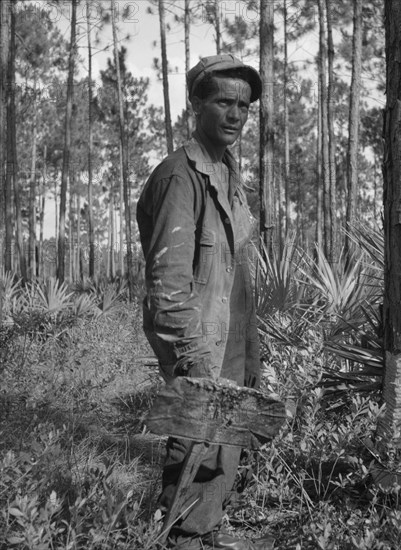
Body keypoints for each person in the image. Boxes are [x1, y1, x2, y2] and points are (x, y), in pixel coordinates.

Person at [137, 55, 272, 550]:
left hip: (232, 336)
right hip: (199, 340)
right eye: (223, 102)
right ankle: (183, 538)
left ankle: (207, 531)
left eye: (243, 106)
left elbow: (237, 275)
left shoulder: (231, 176)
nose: (235, 115)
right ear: (196, 104)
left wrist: (251, 350)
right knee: (195, 441)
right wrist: (192, 358)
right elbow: (167, 281)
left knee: (226, 441)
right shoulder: (180, 175)